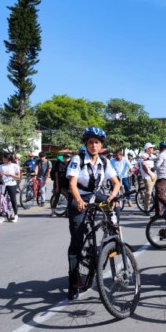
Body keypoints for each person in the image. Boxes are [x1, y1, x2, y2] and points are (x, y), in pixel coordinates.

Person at [66, 127, 120, 300]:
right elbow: (72, 184)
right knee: (76, 239)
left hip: (95, 195)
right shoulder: (78, 159)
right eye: (90, 142)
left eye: (97, 142)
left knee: (115, 208)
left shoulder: (104, 161)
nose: (94, 145)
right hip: (79, 196)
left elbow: (116, 182)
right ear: (86, 144)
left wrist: (112, 197)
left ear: (101, 144)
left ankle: (108, 242)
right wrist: (79, 201)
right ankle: (73, 282)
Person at [0, 153, 21, 222]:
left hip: (12, 184)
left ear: (8, 158)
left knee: (13, 199)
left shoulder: (15, 166)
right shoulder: (1, 166)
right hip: (3, 184)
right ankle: (1, 216)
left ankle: (15, 215)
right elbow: (0, 176)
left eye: (3, 158)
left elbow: (18, 177)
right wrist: (1, 176)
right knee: (1, 200)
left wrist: (10, 175)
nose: (2, 159)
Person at [154, 141, 166, 216]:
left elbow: (157, 165)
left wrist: (152, 168)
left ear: (160, 147)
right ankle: (158, 213)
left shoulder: (161, 155)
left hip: (162, 177)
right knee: (157, 196)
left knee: (160, 195)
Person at [140, 143, 157, 212]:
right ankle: (146, 209)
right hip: (148, 177)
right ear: (147, 149)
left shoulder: (152, 156)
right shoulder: (143, 156)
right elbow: (144, 167)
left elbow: (158, 158)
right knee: (148, 193)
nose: (153, 149)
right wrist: (151, 175)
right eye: (151, 148)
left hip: (154, 175)